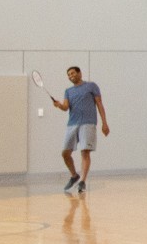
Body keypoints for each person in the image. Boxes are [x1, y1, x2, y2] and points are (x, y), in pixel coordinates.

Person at [46, 66, 109, 194]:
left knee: (85, 153)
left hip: (88, 123)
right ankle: (74, 176)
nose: (71, 76)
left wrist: (104, 123)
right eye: (68, 75)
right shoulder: (68, 91)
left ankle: (82, 181)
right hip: (72, 124)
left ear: (79, 73)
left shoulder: (91, 86)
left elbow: (100, 104)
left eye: (73, 73)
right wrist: (59, 105)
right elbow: (65, 107)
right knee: (65, 153)